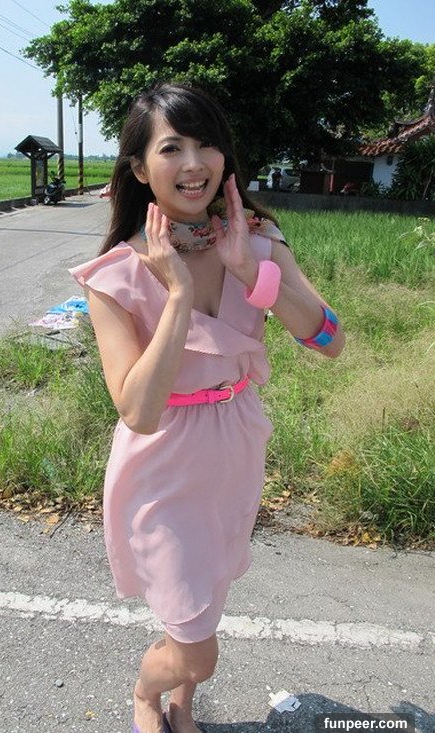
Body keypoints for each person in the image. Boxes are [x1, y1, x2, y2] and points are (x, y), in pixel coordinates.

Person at [70, 83, 345, 733]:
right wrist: (177, 296)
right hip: (162, 463)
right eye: (172, 148)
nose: (194, 164)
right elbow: (137, 411)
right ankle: (147, 693)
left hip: (235, 445)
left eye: (207, 144)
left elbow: (329, 339)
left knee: (207, 595)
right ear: (141, 169)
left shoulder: (258, 240)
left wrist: (250, 271)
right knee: (197, 643)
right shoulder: (114, 274)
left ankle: (183, 704)